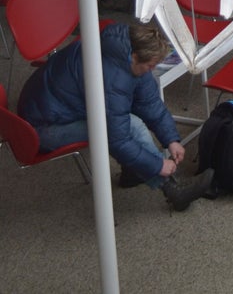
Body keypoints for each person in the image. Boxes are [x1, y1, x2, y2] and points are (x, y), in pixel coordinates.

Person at [17, 21, 213, 211]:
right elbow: (116, 138)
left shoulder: (128, 55)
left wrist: (171, 139)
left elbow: (150, 103)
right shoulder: (111, 77)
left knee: (127, 119)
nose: (152, 70)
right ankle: (172, 190)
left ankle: (133, 172)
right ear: (135, 57)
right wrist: (157, 165)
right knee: (131, 125)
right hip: (40, 128)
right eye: (151, 66)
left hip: (58, 109)